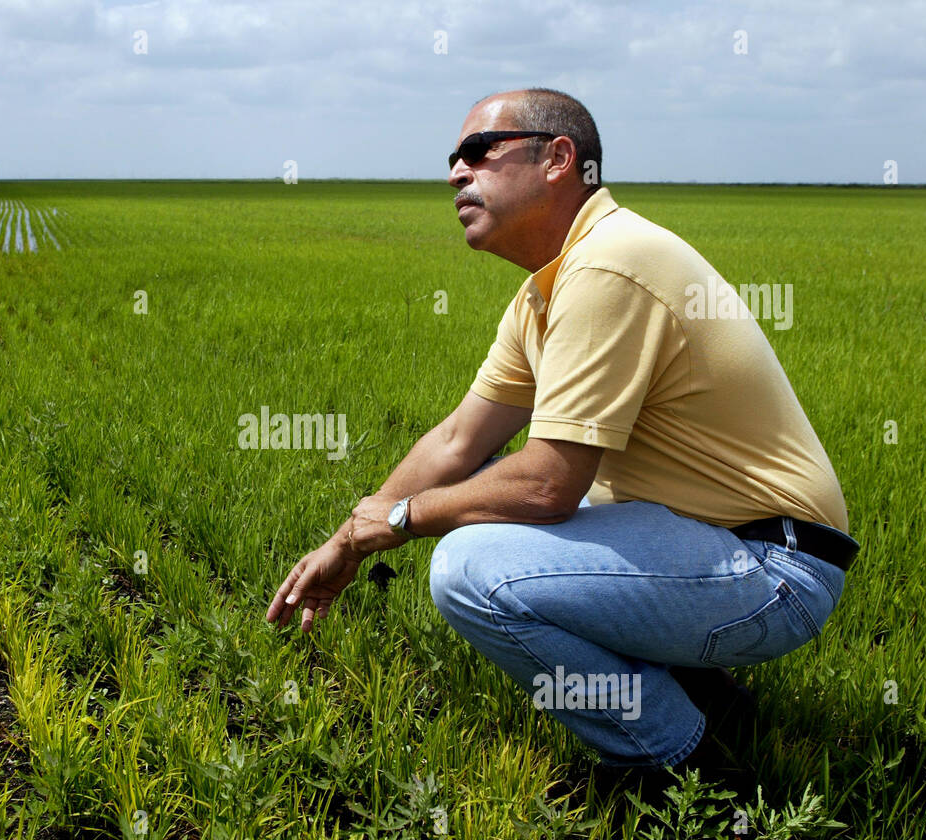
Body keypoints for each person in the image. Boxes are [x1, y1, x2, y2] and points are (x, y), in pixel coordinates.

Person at [265, 88, 859, 790]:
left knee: (470, 569)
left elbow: (548, 485)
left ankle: (671, 756)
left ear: (559, 158)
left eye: (480, 151)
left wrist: (399, 520)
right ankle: (709, 700)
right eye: (453, 158)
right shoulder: (547, 292)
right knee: (484, 504)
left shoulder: (609, 263)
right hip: (707, 544)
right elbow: (459, 439)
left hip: (774, 567)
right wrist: (343, 540)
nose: (457, 171)